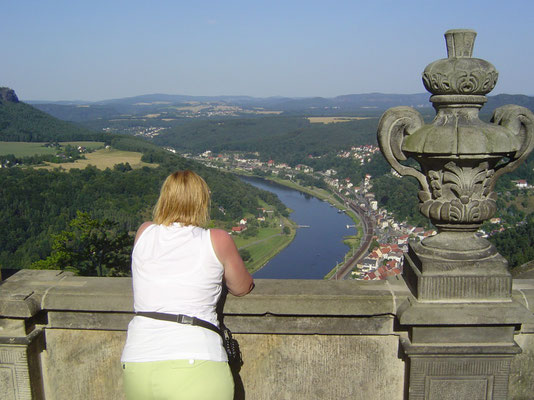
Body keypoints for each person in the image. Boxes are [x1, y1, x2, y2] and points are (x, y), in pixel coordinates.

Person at [121, 170, 254, 400]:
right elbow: (241, 287)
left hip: (138, 360)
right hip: (197, 358)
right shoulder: (217, 239)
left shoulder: (143, 232)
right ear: (201, 202)